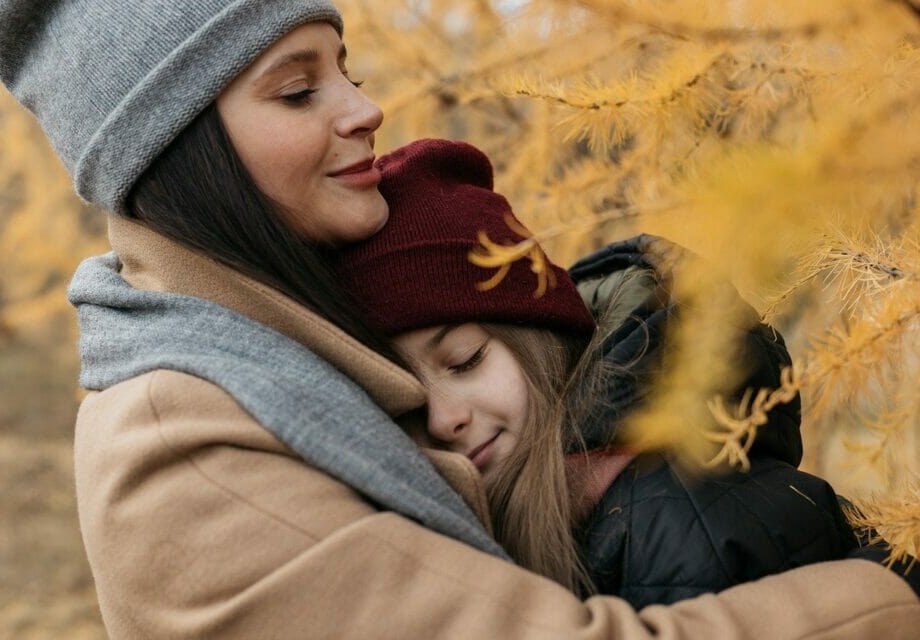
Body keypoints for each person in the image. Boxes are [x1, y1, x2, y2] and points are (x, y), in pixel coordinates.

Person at [0, 1, 920, 638]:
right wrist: (891, 600)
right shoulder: (183, 450)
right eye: (298, 89)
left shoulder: (282, 345)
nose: (366, 108)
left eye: (344, 70)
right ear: (181, 153)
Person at [332, 138, 864, 605]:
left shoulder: (673, 519)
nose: (445, 418)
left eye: (467, 360)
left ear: (539, 336)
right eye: (405, 396)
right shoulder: (534, 513)